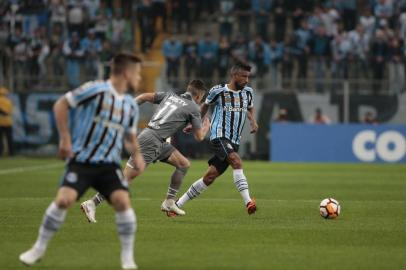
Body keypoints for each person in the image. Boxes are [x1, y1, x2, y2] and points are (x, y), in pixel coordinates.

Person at [19, 53, 145, 270]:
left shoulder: (130, 105)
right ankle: (38, 248)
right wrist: (65, 140)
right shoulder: (95, 89)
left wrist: (139, 156)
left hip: (109, 165)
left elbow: (130, 137)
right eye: (138, 73)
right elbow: (61, 104)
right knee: (63, 200)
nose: (140, 78)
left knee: (123, 202)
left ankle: (127, 259)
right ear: (126, 73)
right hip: (83, 160)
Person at [80, 80, 210, 222]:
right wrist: (205, 128)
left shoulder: (170, 95)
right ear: (198, 97)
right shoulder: (194, 108)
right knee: (126, 179)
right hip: (151, 141)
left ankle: (169, 202)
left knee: (183, 164)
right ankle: (92, 203)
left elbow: (143, 97)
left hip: (157, 140)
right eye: (201, 99)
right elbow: (199, 137)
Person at [176, 62, 259, 215]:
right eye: (244, 76)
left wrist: (253, 121)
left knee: (209, 177)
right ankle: (248, 202)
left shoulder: (248, 92)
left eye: (248, 77)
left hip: (234, 140)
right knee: (236, 161)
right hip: (219, 136)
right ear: (234, 75)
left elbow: (249, 108)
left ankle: (177, 205)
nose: (247, 80)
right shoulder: (218, 90)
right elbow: (204, 107)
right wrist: (194, 124)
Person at [0, 86, 13, 156]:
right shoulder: (8, 101)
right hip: (8, 122)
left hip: (1, 122)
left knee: (0, 139)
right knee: (9, 138)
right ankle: (11, 153)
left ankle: (1, 152)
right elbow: (9, 112)